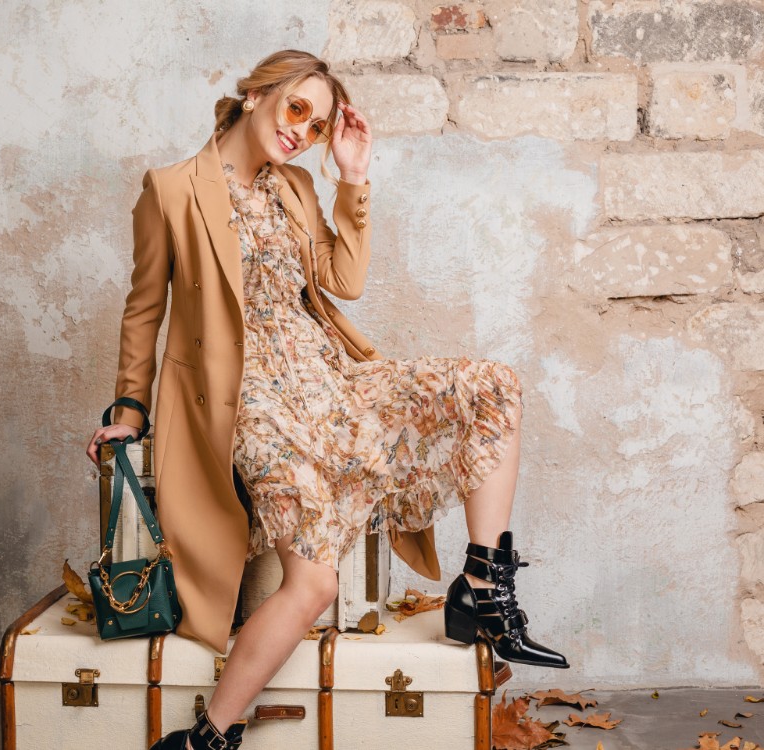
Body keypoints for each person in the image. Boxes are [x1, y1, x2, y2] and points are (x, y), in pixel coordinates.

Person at [86, 49, 569, 750]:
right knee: (310, 583)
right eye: (296, 110)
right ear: (255, 95)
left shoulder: (296, 188)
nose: (302, 131)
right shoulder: (170, 190)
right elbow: (143, 311)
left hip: (329, 382)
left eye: (314, 124)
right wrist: (128, 411)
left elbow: (344, 280)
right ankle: (209, 737)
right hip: (249, 404)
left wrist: (352, 176)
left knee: (492, 384)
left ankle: (484, 588)